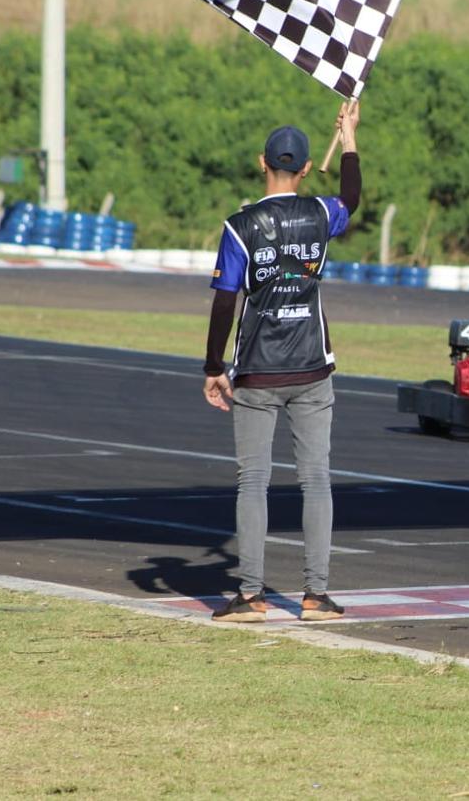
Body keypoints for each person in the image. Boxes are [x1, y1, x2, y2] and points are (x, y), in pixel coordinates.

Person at [202, 101, 361, 623]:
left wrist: (211, 367)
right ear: (308, 168)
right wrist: (351, 138)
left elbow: (226, 300)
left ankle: (250, 596)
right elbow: (352, 198)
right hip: (314, 368)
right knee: (316, 480)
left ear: (261, 162)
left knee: (254, 482)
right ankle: (316, 594)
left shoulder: (239, 226)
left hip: (257, 370)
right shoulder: (320, 213)